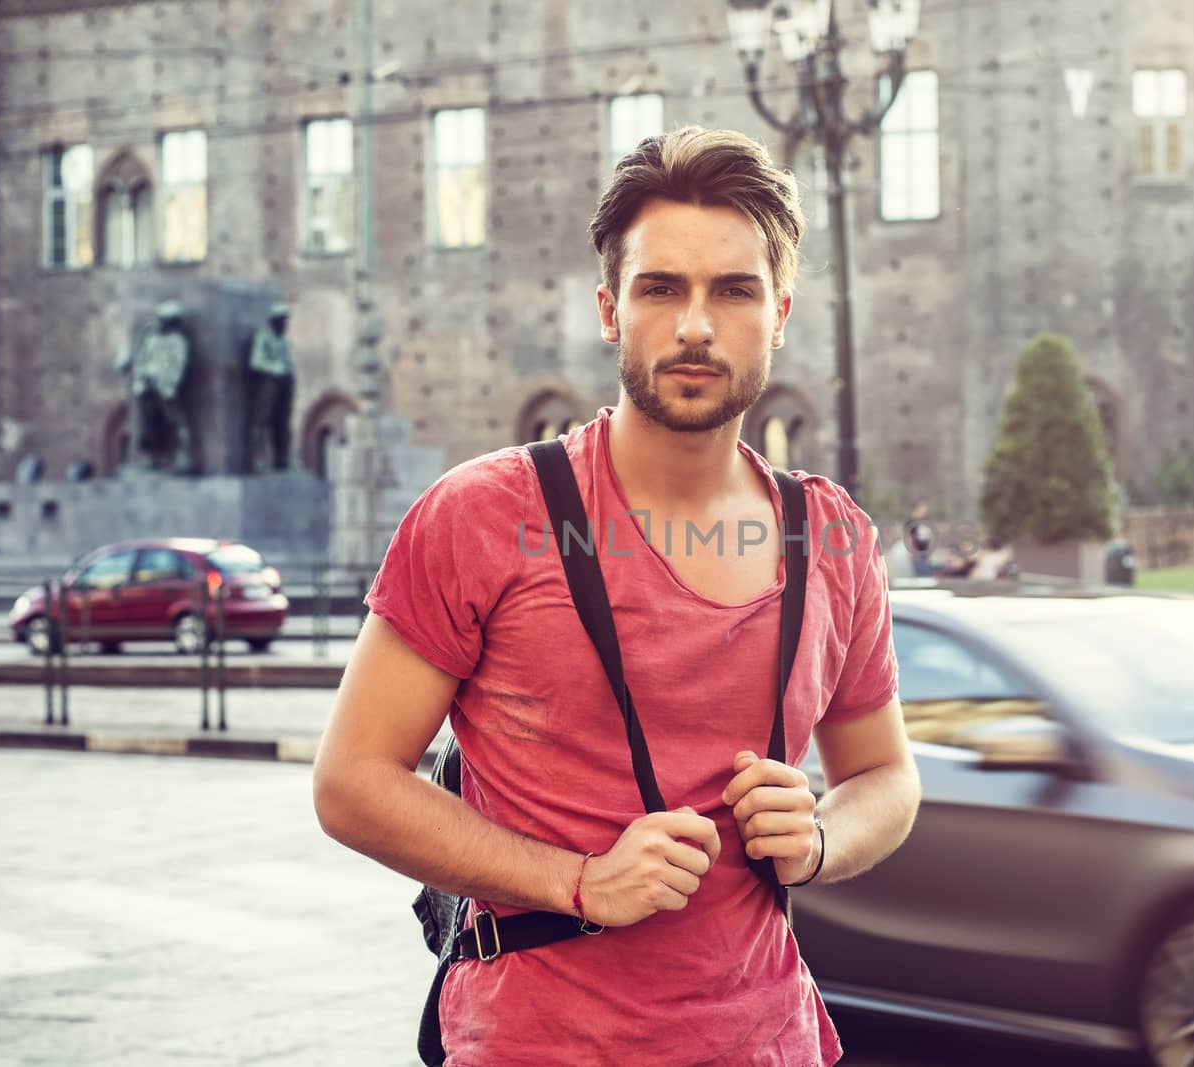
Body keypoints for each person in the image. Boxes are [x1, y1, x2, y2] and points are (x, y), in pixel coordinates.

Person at [312, 127, 921, 1067]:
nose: (694, 326)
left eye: (734, 289)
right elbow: (352, 781)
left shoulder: (831, 535)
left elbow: (886, 775)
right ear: (609, 308)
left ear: (782, 311)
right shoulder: (486, 514)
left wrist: (817, 839)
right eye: (660, 287)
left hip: (774, 1042)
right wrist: (582, 880)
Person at [115, 300, 193, 474]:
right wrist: (141, 378)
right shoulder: (150, 337)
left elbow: (178, 366)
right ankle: (151, 459)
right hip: (147, 386)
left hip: (166, 388)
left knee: (177, 421)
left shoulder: (177, 341)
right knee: (148, 424)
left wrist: (169, 385)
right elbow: (142, 359)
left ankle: (185, 457)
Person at [247, 302, 296, 472]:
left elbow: (287, 361)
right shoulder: (263, 337)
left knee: (282, 422)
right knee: (262, 420)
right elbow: (256, 361)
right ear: (275, 320)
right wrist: (276, 368)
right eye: (283, 321)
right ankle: (256, 459)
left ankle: (282, 460)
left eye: (286, 321)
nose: (285, 324)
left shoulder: (282, 339)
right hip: (270, 382)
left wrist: (288, 372)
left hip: (285, 382)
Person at [905, 500, 937, 577]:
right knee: (920, 570)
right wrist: (914, 552)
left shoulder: (926, 520)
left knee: (927, 569)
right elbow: (909, 538)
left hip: (925, 550)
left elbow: (929, 534)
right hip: (917, 552)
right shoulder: (911, 522)